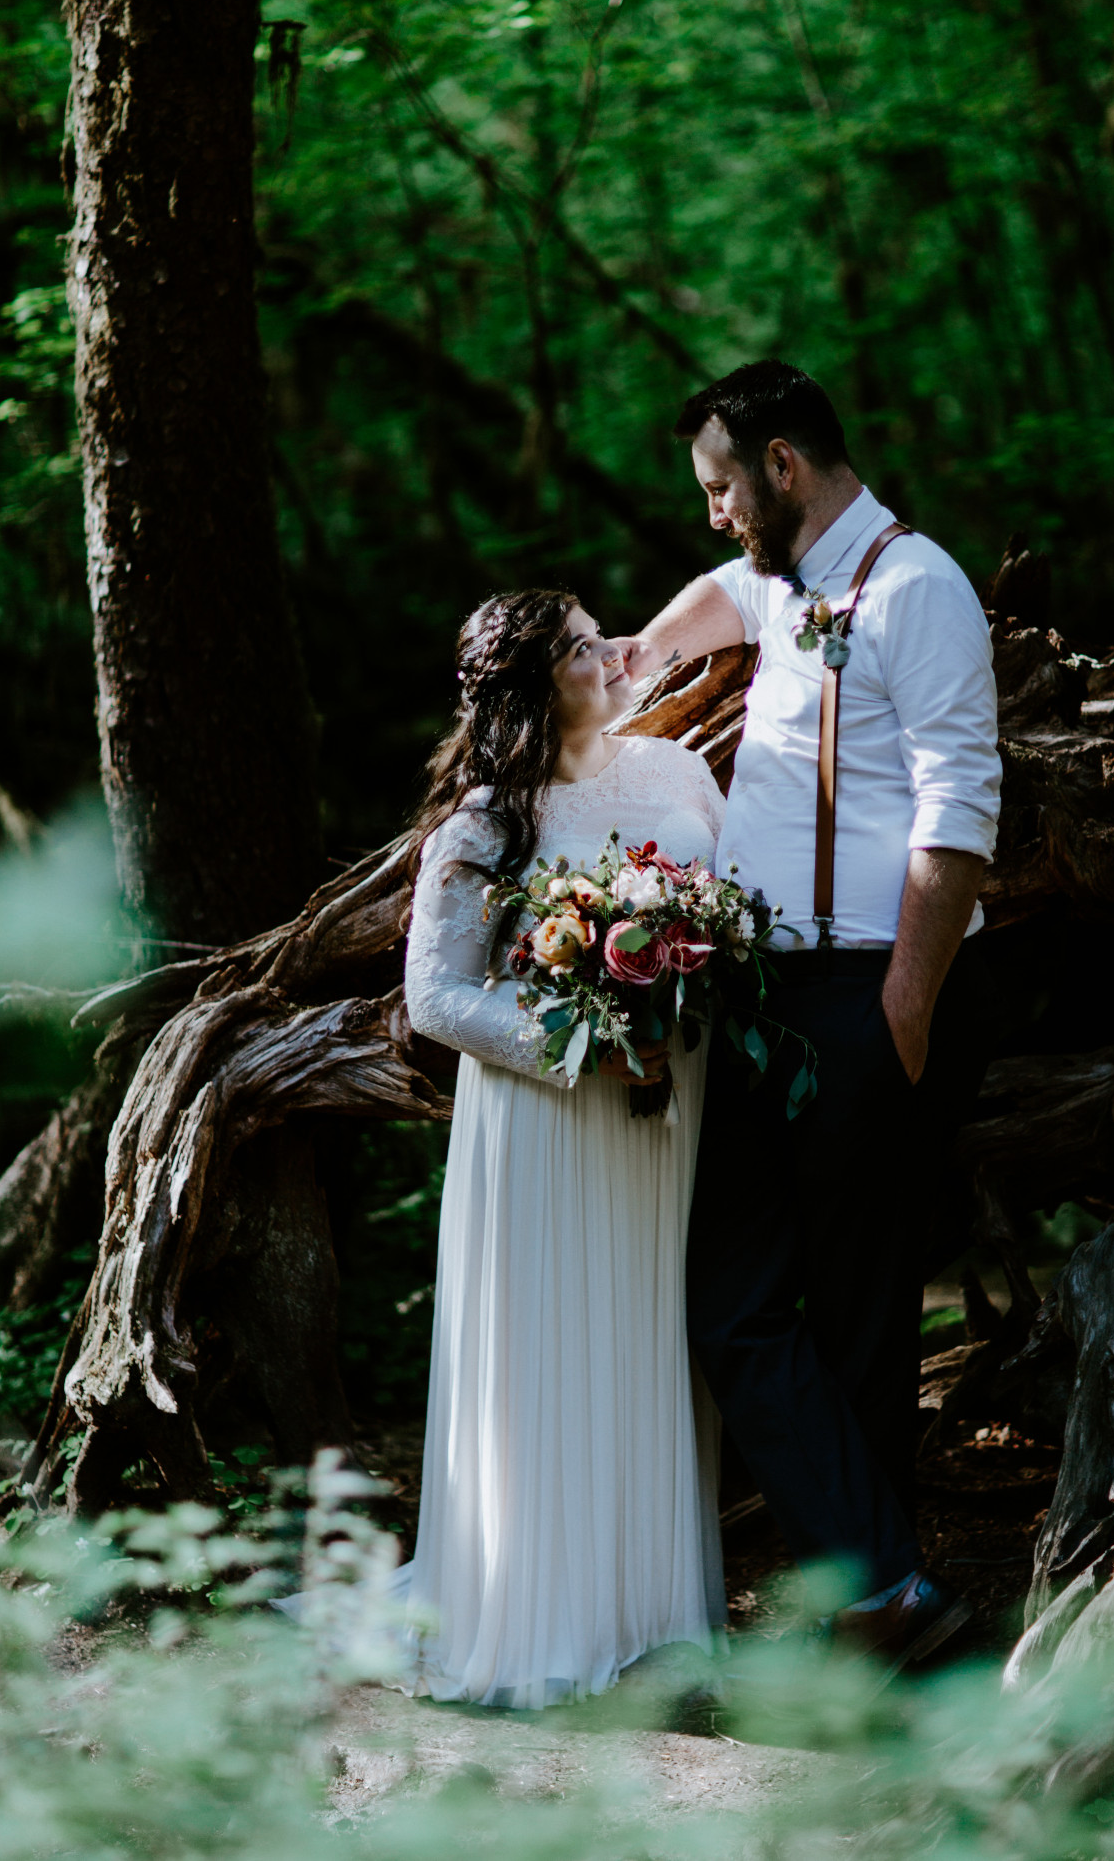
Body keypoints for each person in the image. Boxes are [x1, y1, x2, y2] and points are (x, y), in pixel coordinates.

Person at [615, 359, 1002, 1673]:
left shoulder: (920, 588)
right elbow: (724, 598)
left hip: (864, 993)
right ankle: (888, 1587)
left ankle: (875, 1632)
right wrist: (645, 652)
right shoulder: (783, 581)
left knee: (861, 1317)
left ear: (784, 467)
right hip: (759, 992)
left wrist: (905, 1006)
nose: (716, 513)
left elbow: (959, 811)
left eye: (724, 486)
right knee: (731, 1299)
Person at [399, 588, 727, 1708]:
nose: (609, 652)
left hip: (664, 1107)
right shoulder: (484, 823)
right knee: (557, 1347)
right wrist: (579, 1042)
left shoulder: (679, 773)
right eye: (582, 647)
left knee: (648, 1338)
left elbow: (724, 917)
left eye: (598, 635)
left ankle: (652, 1619)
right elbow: (436, 999)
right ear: (540, 685)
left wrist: (683, 998)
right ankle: (548, 1614)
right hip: (547, 1117)